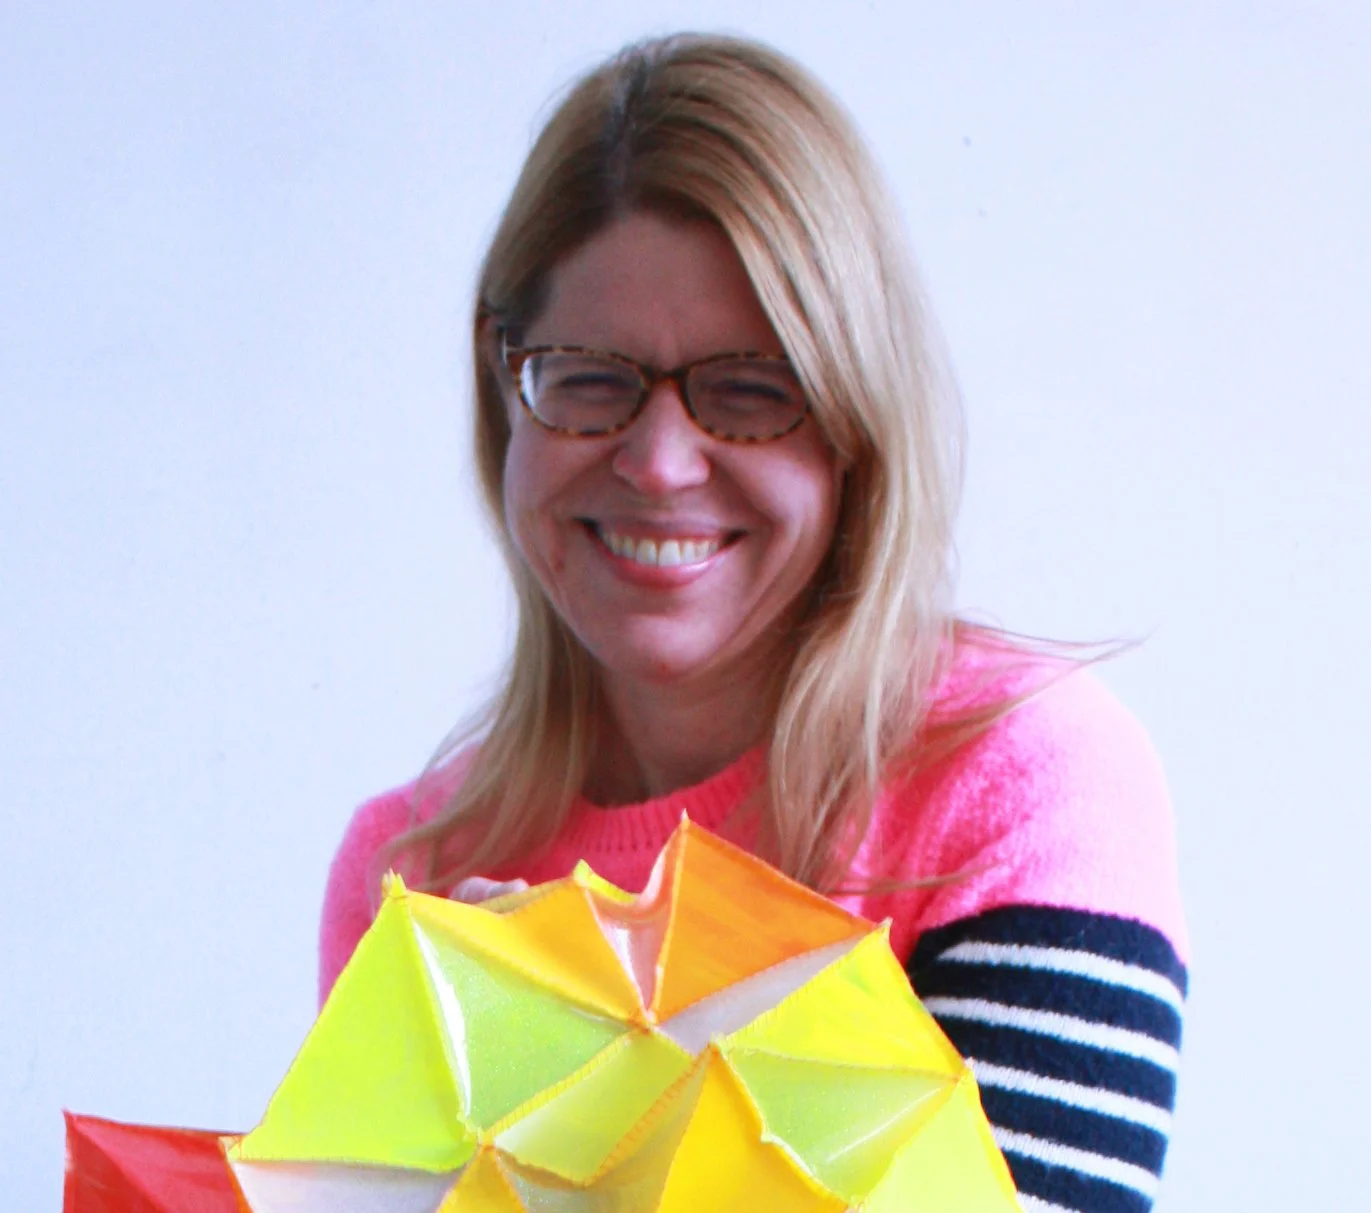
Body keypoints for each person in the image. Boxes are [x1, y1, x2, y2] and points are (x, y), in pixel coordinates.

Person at [319, 33, 1187, 1213]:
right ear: (502, 383)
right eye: (587, 375)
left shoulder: (1016, 776)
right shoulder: (410, 868)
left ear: (855, 420)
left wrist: (589, 1072)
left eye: (752, 388)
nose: (663, 462)